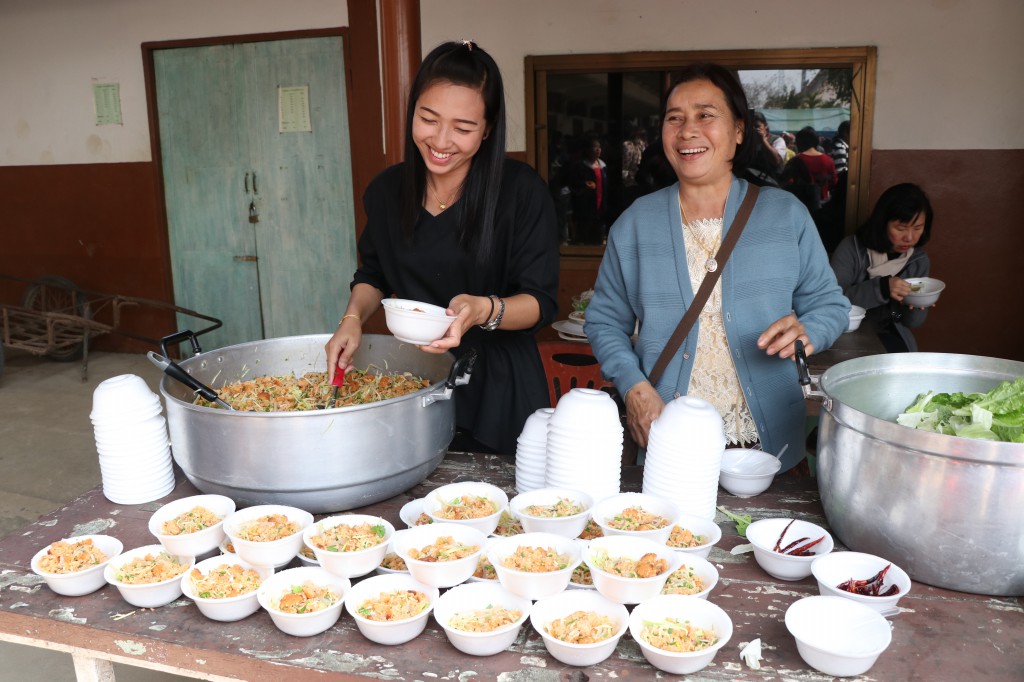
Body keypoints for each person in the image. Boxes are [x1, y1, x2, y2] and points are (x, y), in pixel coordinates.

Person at [584, 63, 849, 473]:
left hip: (769, 450)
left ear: (739, 130)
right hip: (668, 443)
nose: (687, 131)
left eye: (705, 115)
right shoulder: (635, 224)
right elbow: (604, 321)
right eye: (675, 118)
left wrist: (809, 330)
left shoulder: (785, 215)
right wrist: (634, 387)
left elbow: (830, 305)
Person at [325, 40, 559, 455]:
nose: (441, 140)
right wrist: (352, 318)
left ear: (488, 128)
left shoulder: (520, 191)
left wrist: (481, 310)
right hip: (416, 379)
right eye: (428, 119)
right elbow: (373, 275)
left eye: (463, 129)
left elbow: (540, 302)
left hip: (500, 390)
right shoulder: (387, 191)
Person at [830, 183, 934, 352]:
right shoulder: (852, 249)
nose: (909, 237)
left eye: (917, 228)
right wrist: (883, 288)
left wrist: (916, 304)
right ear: (882, 223)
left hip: (889, 336)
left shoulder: (918, 260)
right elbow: (830, 301)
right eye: (901, 228)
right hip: (845, 332)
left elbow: (910, 322)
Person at [781, 126, 838, 214]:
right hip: (823, 208)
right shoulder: (828, 160)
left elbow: (783, 182)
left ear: (799, 142)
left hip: (801, 207)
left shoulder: (795, 160)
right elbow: (834, 184)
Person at [568, 133, 609, 244]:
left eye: (599, 147)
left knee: (598, 236)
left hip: (600, 205)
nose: (598, 150)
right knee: (585, 236)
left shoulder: (603, 166)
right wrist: (585, 184)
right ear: (587, 150)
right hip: (586, 207)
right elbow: (573, 183)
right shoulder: (581, 166)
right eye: (594, 147)